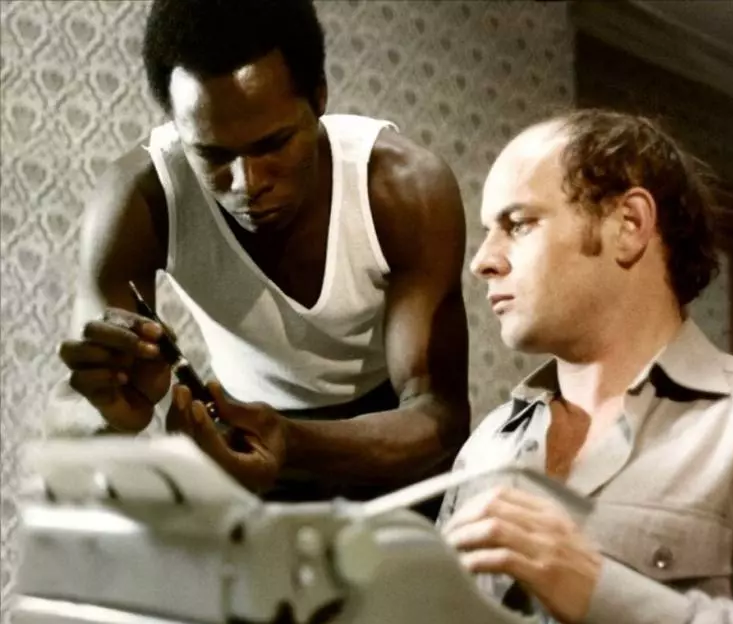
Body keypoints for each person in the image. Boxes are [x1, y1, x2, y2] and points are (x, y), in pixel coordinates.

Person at [50, 0, 470, 509]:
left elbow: (440, 415)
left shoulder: (405, 188)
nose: (247, 184)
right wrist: (110, 413)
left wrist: (293, 441)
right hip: (247, 435)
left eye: (273, 145)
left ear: (319, 96)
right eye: (212, 154)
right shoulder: (139, 201)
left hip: (390, 438)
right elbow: (72, 417)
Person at [438, 109, 733, 624]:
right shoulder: (486, 445)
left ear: (628, 224)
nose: (482, 261)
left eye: (518, 224)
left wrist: (599, 591)